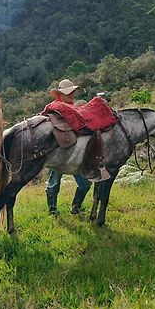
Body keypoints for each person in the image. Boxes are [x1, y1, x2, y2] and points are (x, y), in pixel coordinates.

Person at [44, 79, 91, 215]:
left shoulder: (75, 109)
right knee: (53, 184)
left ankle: (75, 208)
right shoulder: (54, 109)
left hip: (75, 154)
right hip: (58, 153)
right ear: (60, 94)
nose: (71, 95)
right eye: (67, 93)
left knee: (85, 184)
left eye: (72, 92)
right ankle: (52, 211)